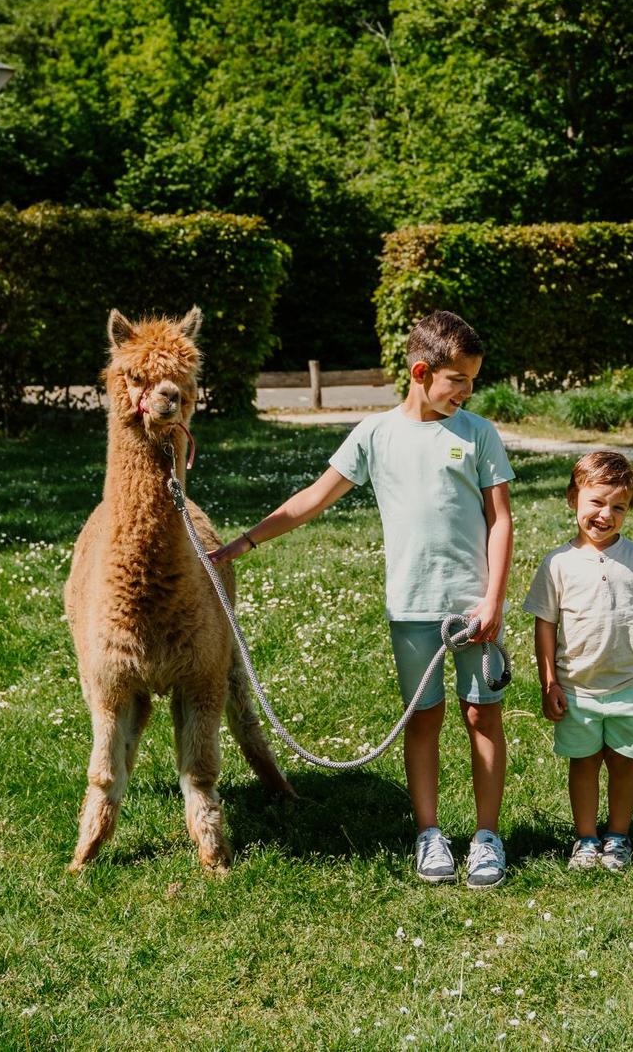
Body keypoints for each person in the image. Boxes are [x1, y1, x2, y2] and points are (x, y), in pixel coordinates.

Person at [210, 310, 515, 887]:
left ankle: (486, 837)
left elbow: (501, 520)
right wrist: (246, 541)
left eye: (473, 383)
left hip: (473, 608)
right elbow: (313, 499)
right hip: (411, 608)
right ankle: (429, 834)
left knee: (482, 715)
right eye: (459, 382)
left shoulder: (478, 434)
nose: (468, 393)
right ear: (422, 371)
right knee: (423, 722)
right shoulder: (375, 435)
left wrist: (493, 599)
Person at [524, 450, 633, 872]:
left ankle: (618, 837)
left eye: (618, 507)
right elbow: (545, 627)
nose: (605, 514)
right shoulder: (557, 564)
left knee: (624, 762)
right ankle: (586, 839)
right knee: (584, 762)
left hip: (630, 683)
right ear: (574, 498)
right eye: (596, 502)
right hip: (577, 687)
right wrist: (549, 682)